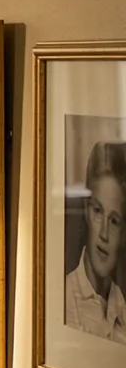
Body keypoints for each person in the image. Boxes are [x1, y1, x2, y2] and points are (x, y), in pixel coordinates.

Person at [66, 141, 126, 341]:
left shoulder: (122, 309)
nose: (104, 234)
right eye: (98, 211)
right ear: (85, 209)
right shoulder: (65, 301)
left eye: (115, 221)